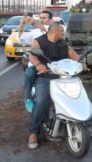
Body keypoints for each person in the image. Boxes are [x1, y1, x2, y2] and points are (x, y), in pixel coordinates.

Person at [27, 22, 88, 150]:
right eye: (62, 31)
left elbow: (72, 54)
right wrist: (39, 65)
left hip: (64, 76)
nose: (63, 33)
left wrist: (81, 63)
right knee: (41, 101)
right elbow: (32, 56)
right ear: (55, 31)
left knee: (77, 94)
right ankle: (33, 133)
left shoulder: (62, 43)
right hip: (45, 76)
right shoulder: (39, 42)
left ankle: (85, 122)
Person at [18, 10, 53, 113]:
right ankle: (28, 98)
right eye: (40, 18)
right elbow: (21, 41)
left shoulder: (54, 28)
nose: (42, 20)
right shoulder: (35, 32)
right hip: (37, 62)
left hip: (53, 62)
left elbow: (49, 31)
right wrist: (21, 25)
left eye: (44, 18)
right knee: (29, 73)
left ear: (50, 20)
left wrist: (35, 23)